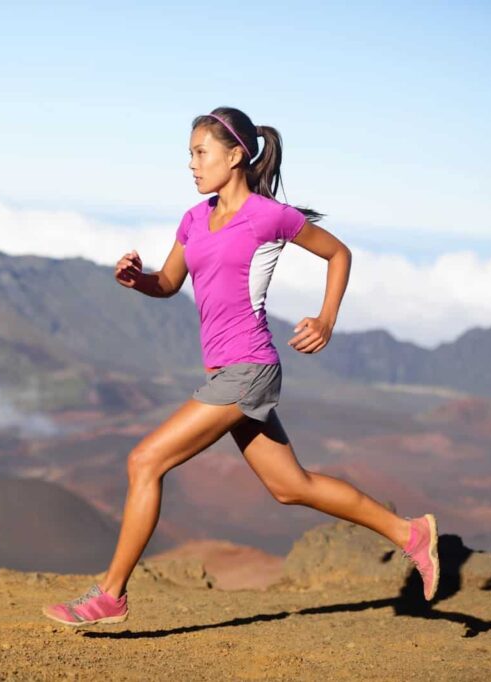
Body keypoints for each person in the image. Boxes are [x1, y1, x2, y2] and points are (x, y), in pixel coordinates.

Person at [41, 107, 439, 627]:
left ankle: (111, 595)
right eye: (189, 154)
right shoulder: (194, 219)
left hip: (249, 368)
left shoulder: (268, 216)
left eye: (200, 153)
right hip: (225, 371)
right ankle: (411, 534)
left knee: (145, 461)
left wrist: (326, 319)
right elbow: (168, 284)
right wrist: (136, 278)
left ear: (235, 155)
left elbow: (338, 254)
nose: (191, 164)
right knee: (290, 486)